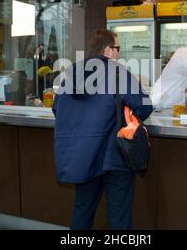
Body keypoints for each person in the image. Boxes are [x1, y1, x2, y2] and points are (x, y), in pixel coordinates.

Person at [52, 29, 153, 230]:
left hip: (82, 157)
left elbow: (57, 108)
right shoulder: (118, 73)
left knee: (82, 210)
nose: (119, 54)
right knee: (119, 215)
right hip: (114, 156)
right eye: (117, 48)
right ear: (107, 50)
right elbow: (144, 107)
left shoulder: (70, 73)